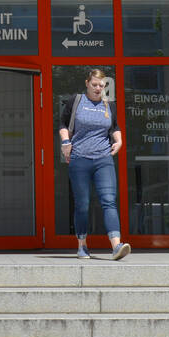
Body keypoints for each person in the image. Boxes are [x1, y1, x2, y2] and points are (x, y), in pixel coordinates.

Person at [59, 68, 130, 260]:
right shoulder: (77, 101)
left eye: (102, 85)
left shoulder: (109, 105)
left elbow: (114, 127)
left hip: (103, 159)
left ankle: (116, 246)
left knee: (109, 200)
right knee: (82, 204)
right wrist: (66, 142)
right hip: (79, 159)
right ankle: (82, 245)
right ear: (87, 83)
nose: (98, 88)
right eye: (95, 84)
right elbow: (63, 124)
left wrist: (119, 141)